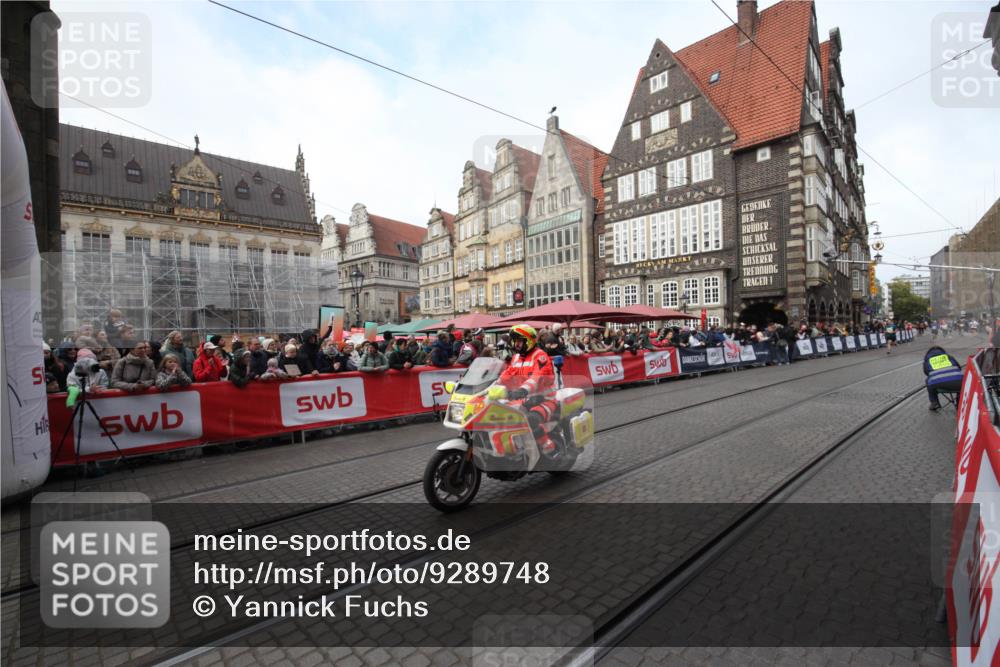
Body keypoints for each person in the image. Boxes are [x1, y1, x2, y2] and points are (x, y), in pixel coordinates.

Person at [491, 325, 558, 453]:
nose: (517, 344)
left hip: (545, 400)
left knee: (530, 419)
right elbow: (507, 374)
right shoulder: (516, 358)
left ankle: (547, 446)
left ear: (529, 341)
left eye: (520, 341)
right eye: (515, 341)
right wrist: (492, 386)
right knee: (502, 416)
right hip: (524, 399)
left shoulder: (540, 356)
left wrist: (523, 390)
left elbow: (537, 376)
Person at [923, 346, 963, 411]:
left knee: (928, 380)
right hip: (959, 383)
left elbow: (926, 372)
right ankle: (960, 403)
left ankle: (934, 402)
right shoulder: (949, 357)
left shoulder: (927, 360)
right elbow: (959, 368)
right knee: (962, 384)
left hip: (939, 384)